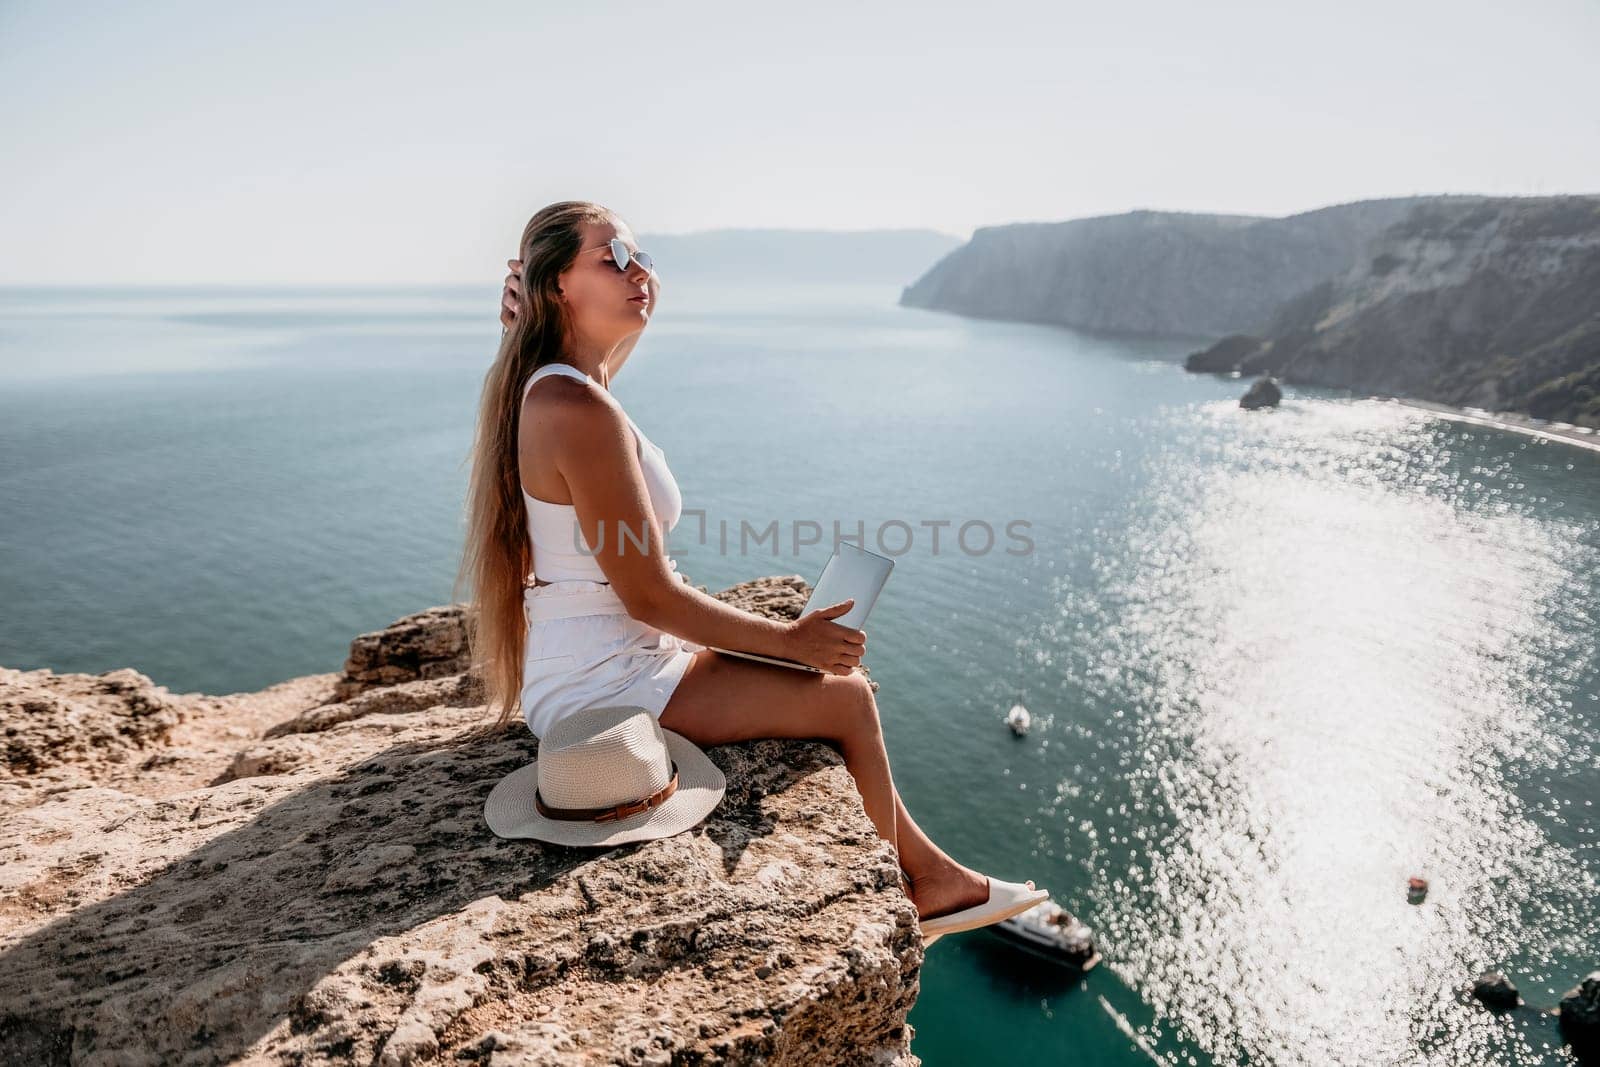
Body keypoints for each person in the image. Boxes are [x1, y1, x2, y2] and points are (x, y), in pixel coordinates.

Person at [457, 200, 1043, 937]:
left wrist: (532, 319)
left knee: (827, 681)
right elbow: (649, 596)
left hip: (598, 663)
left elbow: (588, 365)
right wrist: (790, 640)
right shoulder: (578, 409)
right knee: (845, 698)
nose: (640, 272)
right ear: (556, 288)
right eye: (613, 259)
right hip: (606, 684)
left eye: (642, 257)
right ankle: (929, 884)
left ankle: (932, 874)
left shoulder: (561, 384)